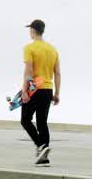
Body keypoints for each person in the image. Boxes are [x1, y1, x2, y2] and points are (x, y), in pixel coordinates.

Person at [20, 19, 60, 166]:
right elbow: (57, 73)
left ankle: (41, 145)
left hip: (34, 88)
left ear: (32, 30)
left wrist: (25, 91)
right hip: (48, 89)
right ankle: (44, 159)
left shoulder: (29, 48)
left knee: (25, 120)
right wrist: (57, 93)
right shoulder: (52, 49)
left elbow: (29, 71)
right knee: (42, 122)